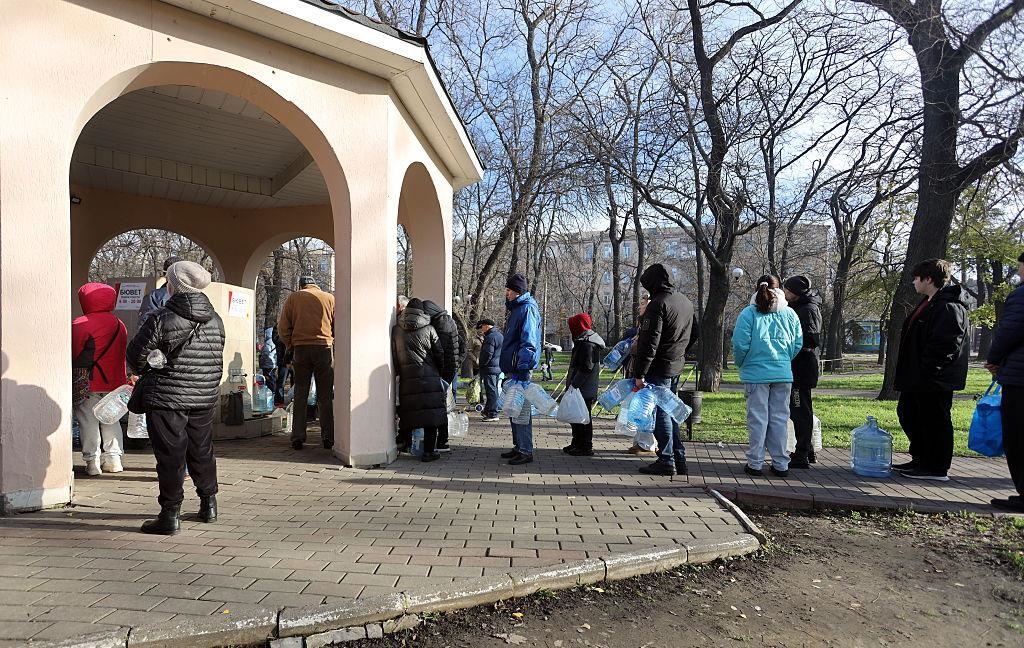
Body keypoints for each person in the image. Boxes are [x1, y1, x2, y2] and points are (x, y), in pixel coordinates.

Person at [127, 261, 225, 535]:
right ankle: (209, 505)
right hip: (204, 395)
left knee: (170, 455)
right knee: (202, 450)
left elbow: (135, 357)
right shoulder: (215, 319)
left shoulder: (161, 318)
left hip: (167, 397)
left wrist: (154, 363)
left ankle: (170, 514)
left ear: (173, 285)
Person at [893, 259, 970, 481]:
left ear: (929, 279)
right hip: (919, 376)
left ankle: (936, 466)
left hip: (934, 378)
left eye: (916, 278)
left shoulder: (948, 306)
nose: (913, 282)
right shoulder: (929, 302)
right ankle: (920, 458)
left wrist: (929, 369)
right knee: (909, 413)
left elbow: (946, 343)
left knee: (934, 419)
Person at [732, 275, 803, 478]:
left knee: (758, 419)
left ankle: (755, 463)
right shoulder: (789, 313)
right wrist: (783, 360)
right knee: (780, 419)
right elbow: (797, 343)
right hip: (782, 373)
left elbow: (740, 344)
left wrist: (742, 363)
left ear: (757, 288)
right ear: (779, 288)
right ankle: (781, 464)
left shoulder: (748, 313)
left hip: (755, 373)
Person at [632, 264, 695, 476]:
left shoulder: (657, 304)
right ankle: (679, 457)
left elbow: (649, 343)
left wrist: (639, 373)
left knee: (662, 414)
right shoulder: (685, 302)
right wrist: (679, 351)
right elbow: (695, 333)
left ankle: (667, 460)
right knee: (671, 411)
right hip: (676, 363)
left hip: (658, 367)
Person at [72, 283, 129, 476]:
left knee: (88, 421)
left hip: (88, 381)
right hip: (115, 382)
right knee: (111, 420)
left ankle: (92, 462)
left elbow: (74, 352)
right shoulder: (119, 324)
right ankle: (114, 460)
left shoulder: (80, 323)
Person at [278, 276, 335, 450]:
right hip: (324, 348)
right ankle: (328, 437)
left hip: (301, 349)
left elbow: (283, 327)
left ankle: (297, 437)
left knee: (301, 394)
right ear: (315, 284)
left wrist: (290, 343)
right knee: (325, 396)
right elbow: (337, 325)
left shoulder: (294, 298)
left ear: (301, 285)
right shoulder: (329, 298)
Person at [987, 252, 1024, 511]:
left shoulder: (1022, 295)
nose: (1019, 270)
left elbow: (1010, 330)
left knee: (1019, 435)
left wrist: (994, 358)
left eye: (1020, 265)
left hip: (1020, 378)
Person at [392, 298, 447, 462]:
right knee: (431, 416)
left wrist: (401, 371)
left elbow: (395, 356)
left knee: (409, 412)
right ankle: (429, 452)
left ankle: (406, 444)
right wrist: (438, 370)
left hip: (407, 378)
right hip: (429, 376)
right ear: (422, 312)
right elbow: (440, 353)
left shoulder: (396, 330)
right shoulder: (429, 329)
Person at [499, 273, 542, 465]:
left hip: (520, 369)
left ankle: (526, 449)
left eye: (509, 290)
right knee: (513, 408)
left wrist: (524, 367)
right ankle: (519, 446)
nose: (506, 294)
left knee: (521, 410)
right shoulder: (517, 309)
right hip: (513, 368)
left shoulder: (527, 309)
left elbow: (529, 341)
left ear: (517, 292)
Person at [783, 276, 822, 469]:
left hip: (802, 368)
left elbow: (811, 338)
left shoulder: (807, 310)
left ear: (796, 292)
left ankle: (802, 453)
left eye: (787, 289)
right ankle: (808, 449)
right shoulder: (799, 308)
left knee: (800, 412)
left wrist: (790, 341)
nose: (784, 292)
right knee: (800, 410)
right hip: (798, 366)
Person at [563, 313, 604, 456]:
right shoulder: (583, 341)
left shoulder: (588, 344)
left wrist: (574, 385)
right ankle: (577, 442)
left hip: (583, 388)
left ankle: (585, 445)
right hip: (580, 387)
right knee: (577, 416)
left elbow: (586, 367)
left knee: (583, 417)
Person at [422, 300, 460, 452]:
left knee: (438, 408)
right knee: (441, 407)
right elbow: (460, 346)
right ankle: (443, 441)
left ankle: (442, 441)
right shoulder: (447, 321)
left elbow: (441, 352)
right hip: (449, 371)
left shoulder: (442, 325)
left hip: (443, 372)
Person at [624, 296, 656, 456]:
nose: (639, 307)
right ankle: (640, 441)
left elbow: (645, 348)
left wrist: (632, 346)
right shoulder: (641, 324)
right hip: (638, 369)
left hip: (645, 371)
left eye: (643, 304)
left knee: (645, 408)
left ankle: (646, 443)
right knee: (638, 407)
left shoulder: (648, 324)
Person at [137, 256, 182, 332]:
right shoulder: (197, 297)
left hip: (163, 342)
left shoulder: (155, 297)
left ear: (165, 274)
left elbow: (144, 328)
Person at [477, 318, 503, 421]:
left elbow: (487, 354)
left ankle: (492, 413)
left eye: (482, 326)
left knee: (491, 391)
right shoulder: (500, 336)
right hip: (498, 367)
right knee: (494, 390)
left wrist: (482, 365)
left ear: (487, 326)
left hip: (490, 368)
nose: (481, 329)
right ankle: (488, 411)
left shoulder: (490, 337)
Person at [258, 326, 278, 396]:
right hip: (273, 364)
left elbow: (265, 354)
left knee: (269, 380)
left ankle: (272, 393)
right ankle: (274, 392)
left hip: (267, 365)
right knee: (273, 379)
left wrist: (261, 363)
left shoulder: (268, 343)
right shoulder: (275, 341)